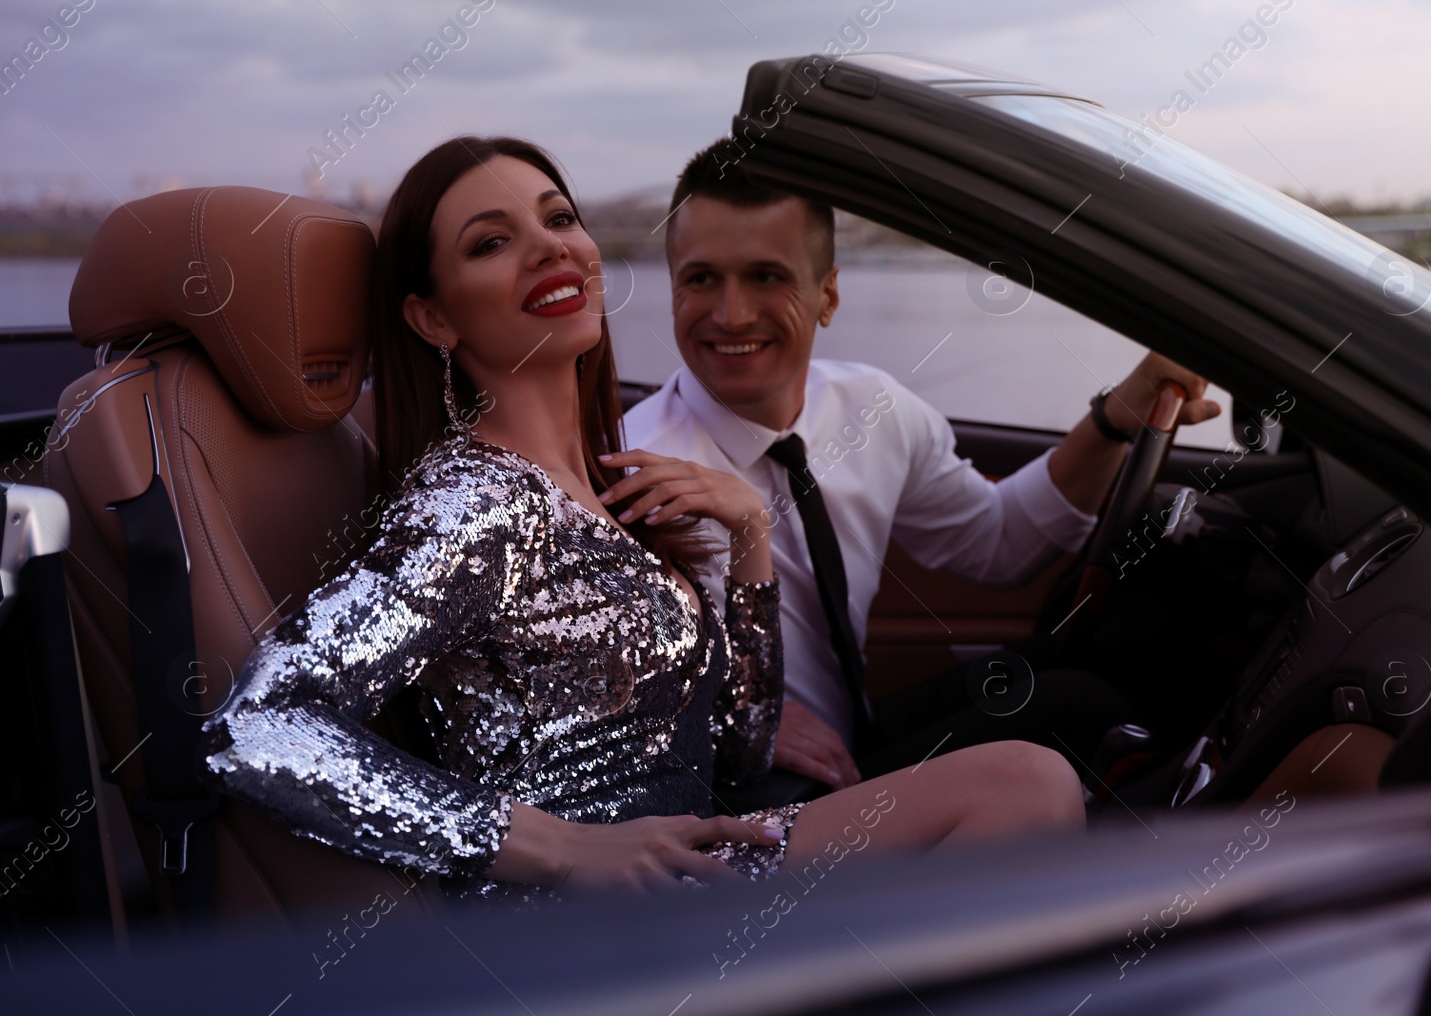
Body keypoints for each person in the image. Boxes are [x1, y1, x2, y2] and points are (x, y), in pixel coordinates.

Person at [199, 136, 1083, 905]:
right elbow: (257, 723)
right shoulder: (476, 503)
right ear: (433, 317)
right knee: (1027, 784)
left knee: (1030, 773)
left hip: (692, 860)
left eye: (558, 219)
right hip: (592, 919)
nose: (548, 248)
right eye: (493, 242)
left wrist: (750, 543)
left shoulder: (616, 486)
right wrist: (556, 845)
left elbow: (732, 762)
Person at [620, 143, 1220, 806]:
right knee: (1075, 712)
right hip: (748, 792)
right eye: (701, 279)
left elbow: (999, 544)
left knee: (1097, 674)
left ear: (828, 295)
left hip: (850, 735)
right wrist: (719, 715)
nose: (731, 314)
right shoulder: (631, 466)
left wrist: (1114, 419)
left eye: (767, 276)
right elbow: (578, 699)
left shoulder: (873, 408)